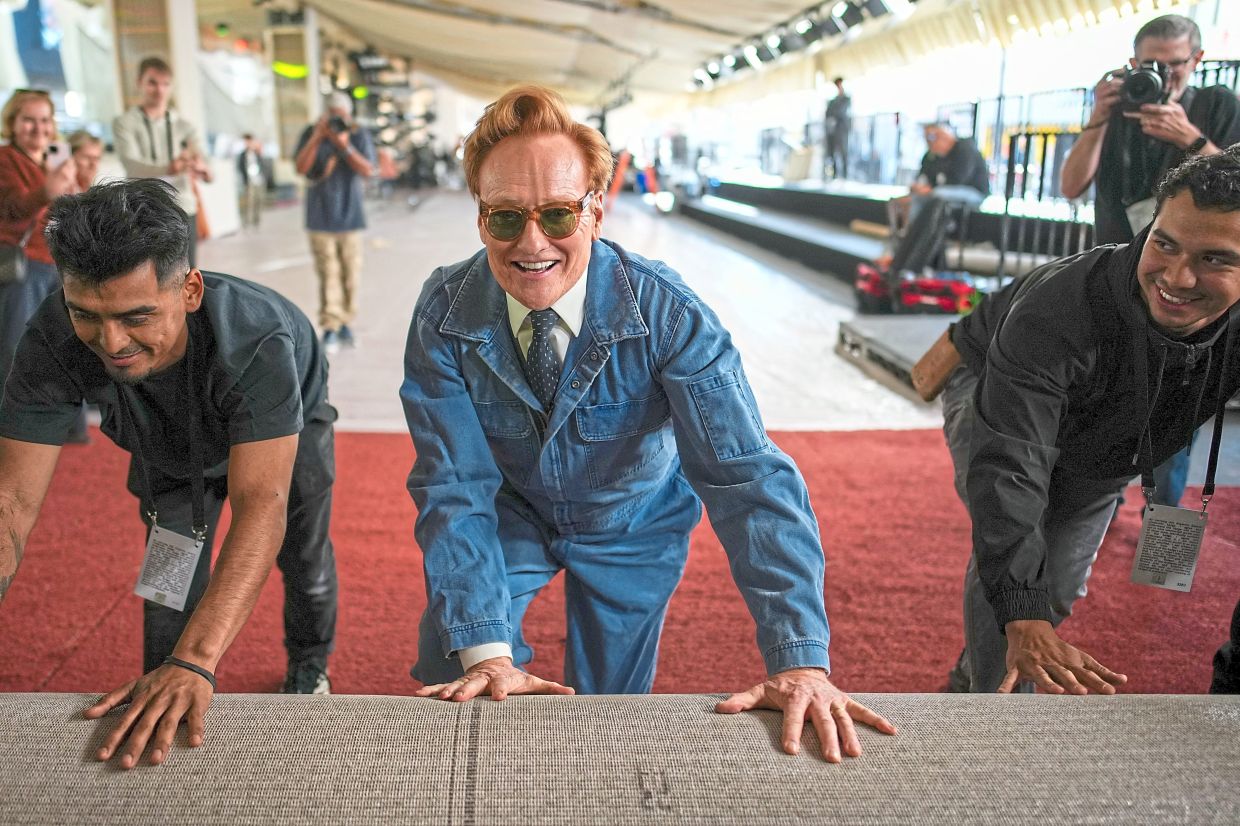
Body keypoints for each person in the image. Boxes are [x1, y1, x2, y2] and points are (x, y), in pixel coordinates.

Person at [401, 85, 896, 763]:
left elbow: (746, 478)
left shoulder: (668, 314)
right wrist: (486, 654)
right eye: (507, 218)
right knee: (455, 656)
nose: (533, 242)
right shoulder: (444, 312)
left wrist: (800, 656)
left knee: (612, 707)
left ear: (597, 210)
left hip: (632, 520)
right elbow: (453, 484)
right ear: (480, 217)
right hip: (508, 508)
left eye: (558, 213)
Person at [0, 179, 340, 769]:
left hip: (285, 419)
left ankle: (309, 665)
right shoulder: (54, 335)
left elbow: (261, 506)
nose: (111, 343)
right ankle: (162, 686)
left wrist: (197, 661)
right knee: (169, 581)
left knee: (302, 556)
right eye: (87, 315)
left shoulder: (256, 337)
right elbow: (9, 502)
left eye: (136, 316)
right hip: (166, 442)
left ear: (189, 288)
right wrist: (174, 667)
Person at [939, 147, 1240, 695]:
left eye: (1215, 259)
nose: (1176, 276)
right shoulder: (1062, 306)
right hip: (993, 393)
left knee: (1055, 589)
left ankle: (975, 677)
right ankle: (985, 714)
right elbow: (1010, 464)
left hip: (1110, 434)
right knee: (1015, 563)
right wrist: (1020, 611)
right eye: (1164, 243)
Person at [1060, 13, 1240, 508]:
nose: (1161, 74)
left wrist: (1189, 139)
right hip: (1119, 275)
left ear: (1197, 60)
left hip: (1193, 286)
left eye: (1174, 64)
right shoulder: (1120, 108)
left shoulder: (1215, 105)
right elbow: (1070, 185)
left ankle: (1163, 529)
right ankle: (1097, 509)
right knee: (1100, 398)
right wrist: (1099, 117)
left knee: (1176, 408)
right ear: (1132, 62)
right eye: (1149, 63)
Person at [0, 90, 78, 381]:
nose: (39, 128)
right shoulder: (5, 158)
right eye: (28, 120)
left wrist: (74, 185)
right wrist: (47, 189)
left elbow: (68, 210)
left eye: (44, 120)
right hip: (24, 265)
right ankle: (11, 422)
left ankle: (67, 422)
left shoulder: (52, 159)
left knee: (60, 345)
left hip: (57, 262)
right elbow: (14, 207)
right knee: (16, 346)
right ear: (13, 122)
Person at [113, 57, 213, 269]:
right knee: (149, 273)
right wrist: (170, 168)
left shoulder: (184, 125)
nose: (159, 90)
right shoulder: (125, 123)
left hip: (182, 207)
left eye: (165, 84)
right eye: (152, 83)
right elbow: (132, 165)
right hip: (144, 209)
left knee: (186, 272)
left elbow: (208, 170)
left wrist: (201, 168)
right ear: (139, 82)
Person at [294, 91, 374, 354]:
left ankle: (346, 324)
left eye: (341, 117)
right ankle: (330, 326)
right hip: (320, 217)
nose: (337, 121)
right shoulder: (313, 133)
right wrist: (318, 136)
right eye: (332, 116)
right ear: (325, 114)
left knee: (351, 274)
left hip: (350, 217)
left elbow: (367, 170)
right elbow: (301, 168)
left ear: (348, 115)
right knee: (328, 274)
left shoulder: (357, 134)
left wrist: (344, 144)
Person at [881, 122, 989, 280]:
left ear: (945, 135)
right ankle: (904, 241)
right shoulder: (930, 155)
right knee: (905, 201)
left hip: (974, 193)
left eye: (934, 136)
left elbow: (958, 180)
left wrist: (929, 189)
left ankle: (913, 249)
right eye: (928, 138)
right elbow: (922, 180)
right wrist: (918, 189)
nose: (930, 141)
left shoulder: (964, 149)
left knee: (937, 194)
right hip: (937, 196)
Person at [236, 133, 268, 229]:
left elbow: (263, 164)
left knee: (259, 200)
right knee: (249, 202)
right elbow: (240, 167)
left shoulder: (257, 153)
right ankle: (246, 221)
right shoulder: (242, 155)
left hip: (259, 180)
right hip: (249, 181)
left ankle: (256, 221)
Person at [824, 76, 851, 180]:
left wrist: (834, 116)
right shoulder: (832, 101)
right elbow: (828, 113)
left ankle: (844, 176)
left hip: (842, 129)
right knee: (832, 153)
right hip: (832, 130)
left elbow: (841, 112)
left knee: (843, 152)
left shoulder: (846, 99)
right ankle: (834, 176)